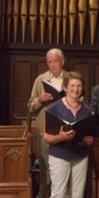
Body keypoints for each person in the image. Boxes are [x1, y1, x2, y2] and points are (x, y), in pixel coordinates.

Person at [43, 71, 94, 198]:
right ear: (65, 88)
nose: (76, 89)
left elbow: (91, 135)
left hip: (80, 156)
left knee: (78, 197)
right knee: (57, 197)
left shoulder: (87, 111)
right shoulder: (54, 108)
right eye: (72, 86)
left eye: (79, 86)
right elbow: (46, 137)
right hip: (60, 155)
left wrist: (89, 140)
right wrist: (60, 137)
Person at [27, 48, 67, 184]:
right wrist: (40, 99)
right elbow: (30, 106)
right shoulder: (41, 80)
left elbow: (81, 100)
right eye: (49, 62)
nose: (53, 64)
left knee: (63, 168)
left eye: (55, 61)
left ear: (62, 61)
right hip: (45, 130)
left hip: (65, 129)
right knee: (46, 169)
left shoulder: (70, 78)